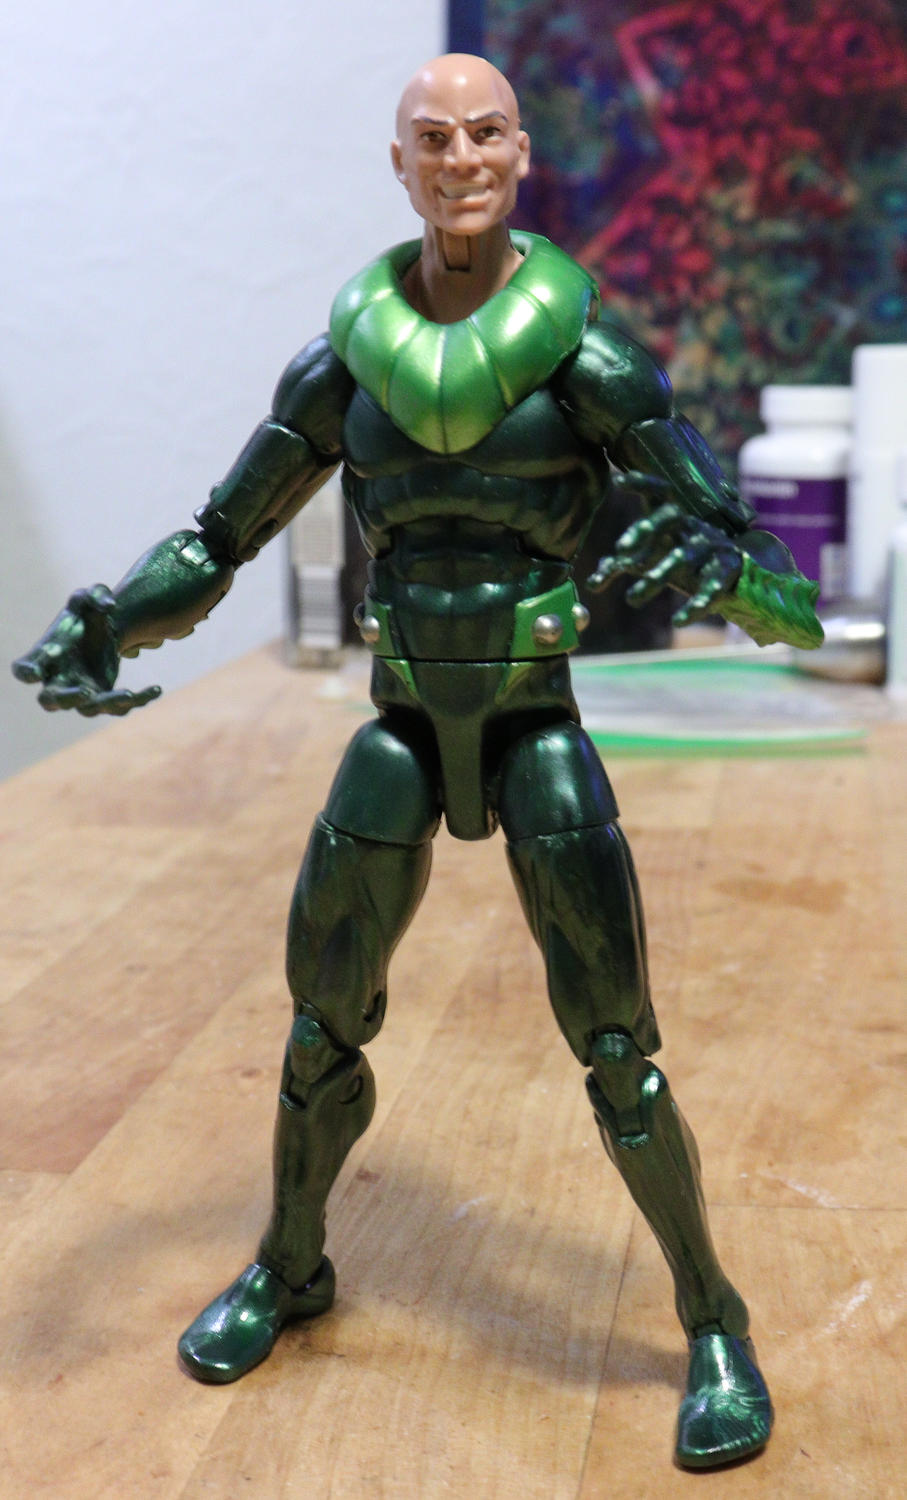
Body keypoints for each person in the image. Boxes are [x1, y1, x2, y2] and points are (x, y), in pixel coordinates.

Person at [14, 54, 822, 1468]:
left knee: (616, 1047)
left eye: (485, 133)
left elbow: (782, 588)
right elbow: (219, 536)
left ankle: (712, 1317)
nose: (461, 160)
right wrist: (110, 619)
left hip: (533, 720)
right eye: (432, 139)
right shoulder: (346, 366)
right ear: (400, 165)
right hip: (398, 715)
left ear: (522, 152)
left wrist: (732, 574)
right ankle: (292, 1264)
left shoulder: (589, 362)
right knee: (320, 1024)